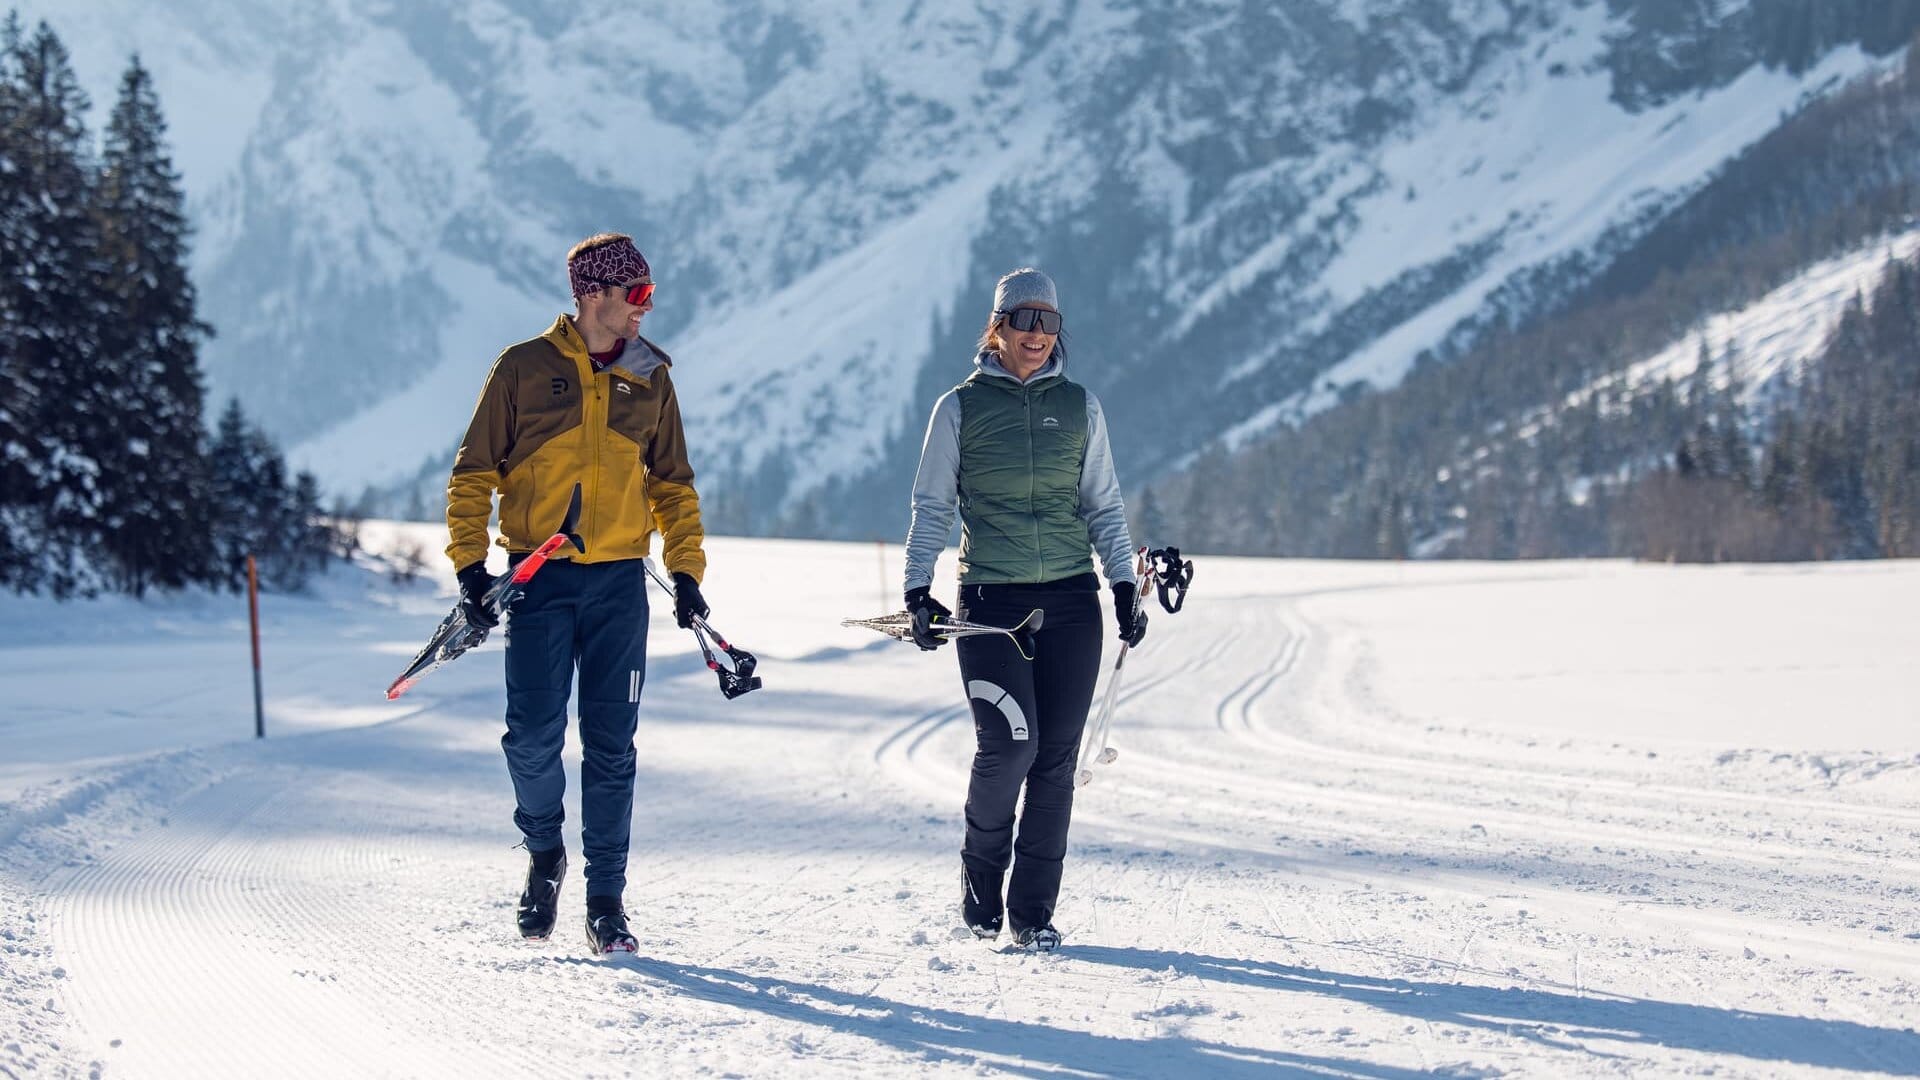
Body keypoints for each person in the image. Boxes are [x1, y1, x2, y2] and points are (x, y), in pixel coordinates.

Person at [445, 233, 712, 954]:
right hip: (541, 579)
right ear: (594, 294)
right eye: (637, 295)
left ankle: (606, 902)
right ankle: (543, 853)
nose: (646, 309)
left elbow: (673, 485)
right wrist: (472, 569)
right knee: (530, 737)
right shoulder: (523, 369)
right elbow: (473, 474)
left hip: (621, 586)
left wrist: (687, 572)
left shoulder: (651, 376)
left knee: (611, 746)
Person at [902, 267, 1146, 952]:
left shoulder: (1081, 407)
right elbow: (932, 506)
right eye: (1023, 320)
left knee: (1055, 762)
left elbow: (1104, 504)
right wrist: (918, 590)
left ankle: (1032, 915)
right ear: (998, 326)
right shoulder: (959, 407)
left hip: (1072, 601)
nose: (1036, 335)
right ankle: (982, 877)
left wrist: (1123, 585)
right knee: (1009, 745)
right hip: (990, 606)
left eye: (1049, 322)